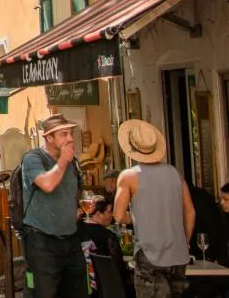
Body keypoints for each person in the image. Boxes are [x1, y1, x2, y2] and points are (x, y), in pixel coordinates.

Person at [112, 120, 195, 298]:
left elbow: (118, 216)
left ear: (132, 149)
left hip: (150, 253)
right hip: (178, 254)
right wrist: (184, 240)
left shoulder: (129, 176)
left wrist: (138, 217)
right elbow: (190, 212)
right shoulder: (174, 173)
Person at [20, 114, 86, 298]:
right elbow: (47, 185)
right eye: (64, 134)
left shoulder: (73, 162)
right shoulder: (33, 158)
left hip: (71, 239)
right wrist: (63, 160)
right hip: (42, 241)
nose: (70, 139)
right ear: (48, 137)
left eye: (71, 133)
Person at [77, 196, 132, 298]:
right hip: (107, 288)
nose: (112, 216)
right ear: (97, 214)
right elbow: (119, 268)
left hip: (81, 286)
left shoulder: (76, 229)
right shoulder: (108, 236)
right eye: (109, 212)